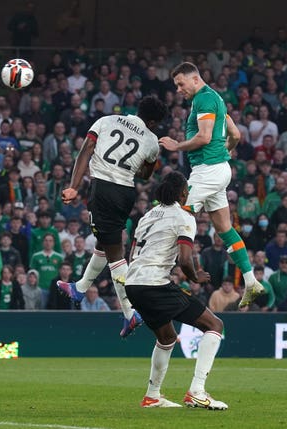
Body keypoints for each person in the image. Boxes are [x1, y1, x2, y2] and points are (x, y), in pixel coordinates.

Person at [59, 96, 168, 337]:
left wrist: (74, 186)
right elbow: (146, 174)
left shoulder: (106, 121)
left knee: (115, 254)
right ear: (152, 121)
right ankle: (80, 287)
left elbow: (86, 149)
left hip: (103, 190)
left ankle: (131, 313)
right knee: (105, 243)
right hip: (125, 193)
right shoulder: (151, 140)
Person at [159, 62, 265, 308]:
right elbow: (236, 135)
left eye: (180, 84)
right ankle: (250, 280)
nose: (178, 90)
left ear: (194, 79)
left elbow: (204, 137)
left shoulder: (204, 99)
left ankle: (159, 276)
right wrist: (223, 155)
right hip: (217, 169)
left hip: (207, 170)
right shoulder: (215, 99)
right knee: (224, 229)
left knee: (178, 214)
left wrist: (177, 145)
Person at [125, 171, 227, 410]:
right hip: (153, 284)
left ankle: (152, 396)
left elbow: (132, 254)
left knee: (167, 337)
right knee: (214, 326)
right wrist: (195, 277)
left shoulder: (147, 216)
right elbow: (184, 259)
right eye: (187, 190)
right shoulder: (184, 217)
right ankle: (197, 391)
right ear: (183, 192)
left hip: (133, 283)